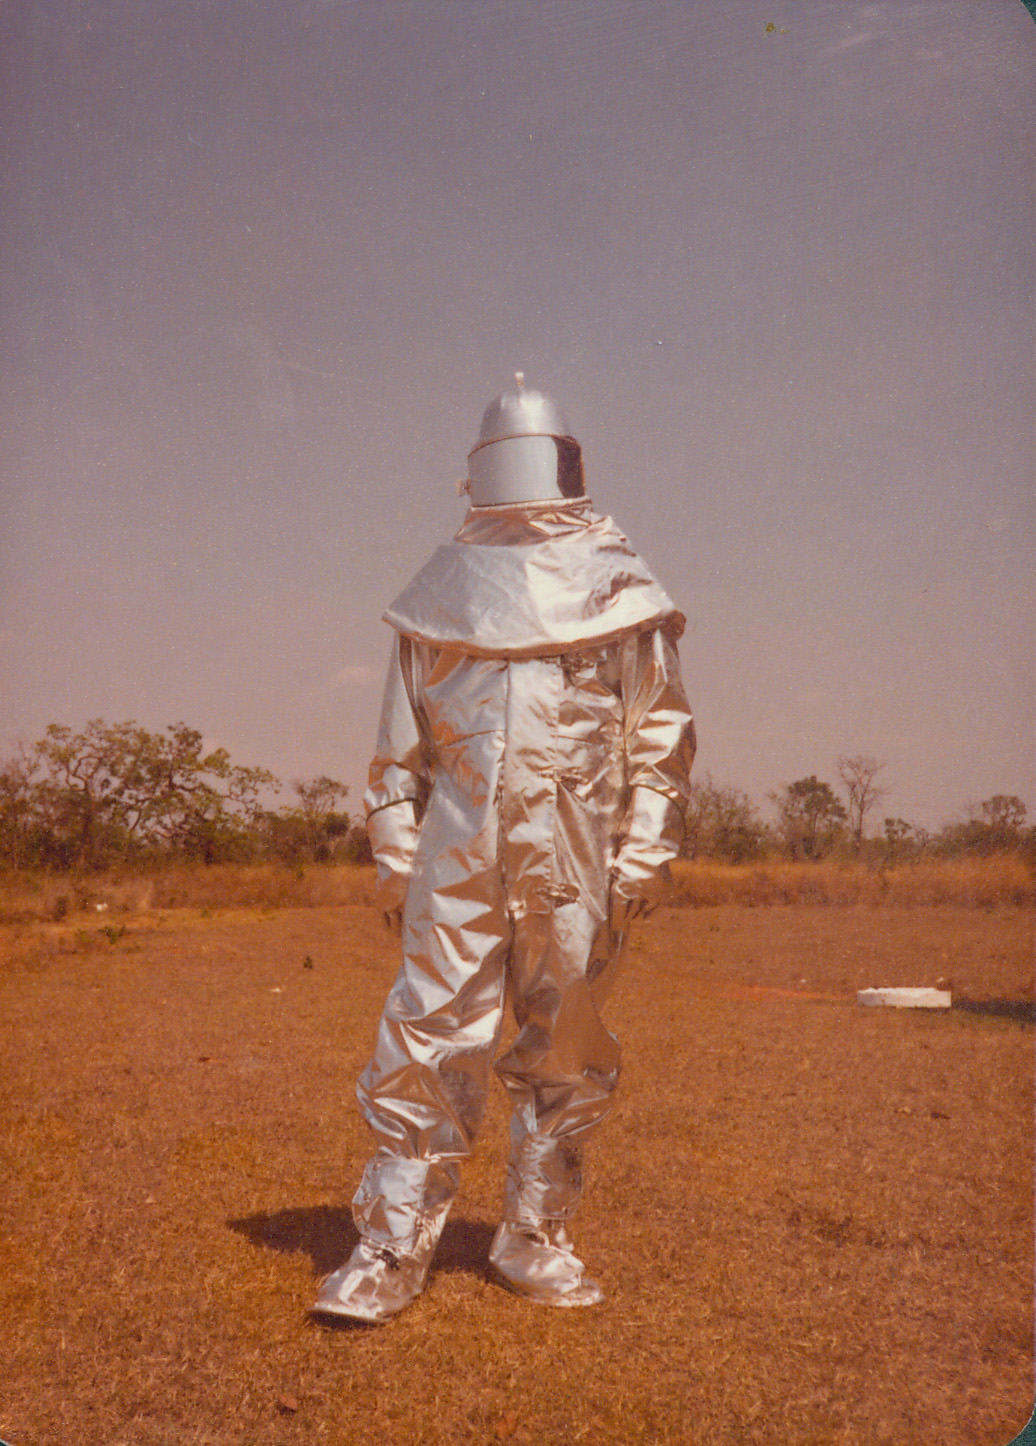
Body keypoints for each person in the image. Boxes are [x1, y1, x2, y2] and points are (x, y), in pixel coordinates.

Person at [313, 375, 695, 1322]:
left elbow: (660, 739)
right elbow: (399, 750)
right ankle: (391, 1246)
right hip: (457, 860)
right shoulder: (439, 601)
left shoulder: (621, 592)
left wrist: (643, 854)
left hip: (575, 859)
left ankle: (534, 1233)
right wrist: (397, 856)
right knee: (427, 1032)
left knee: (565, 1043)